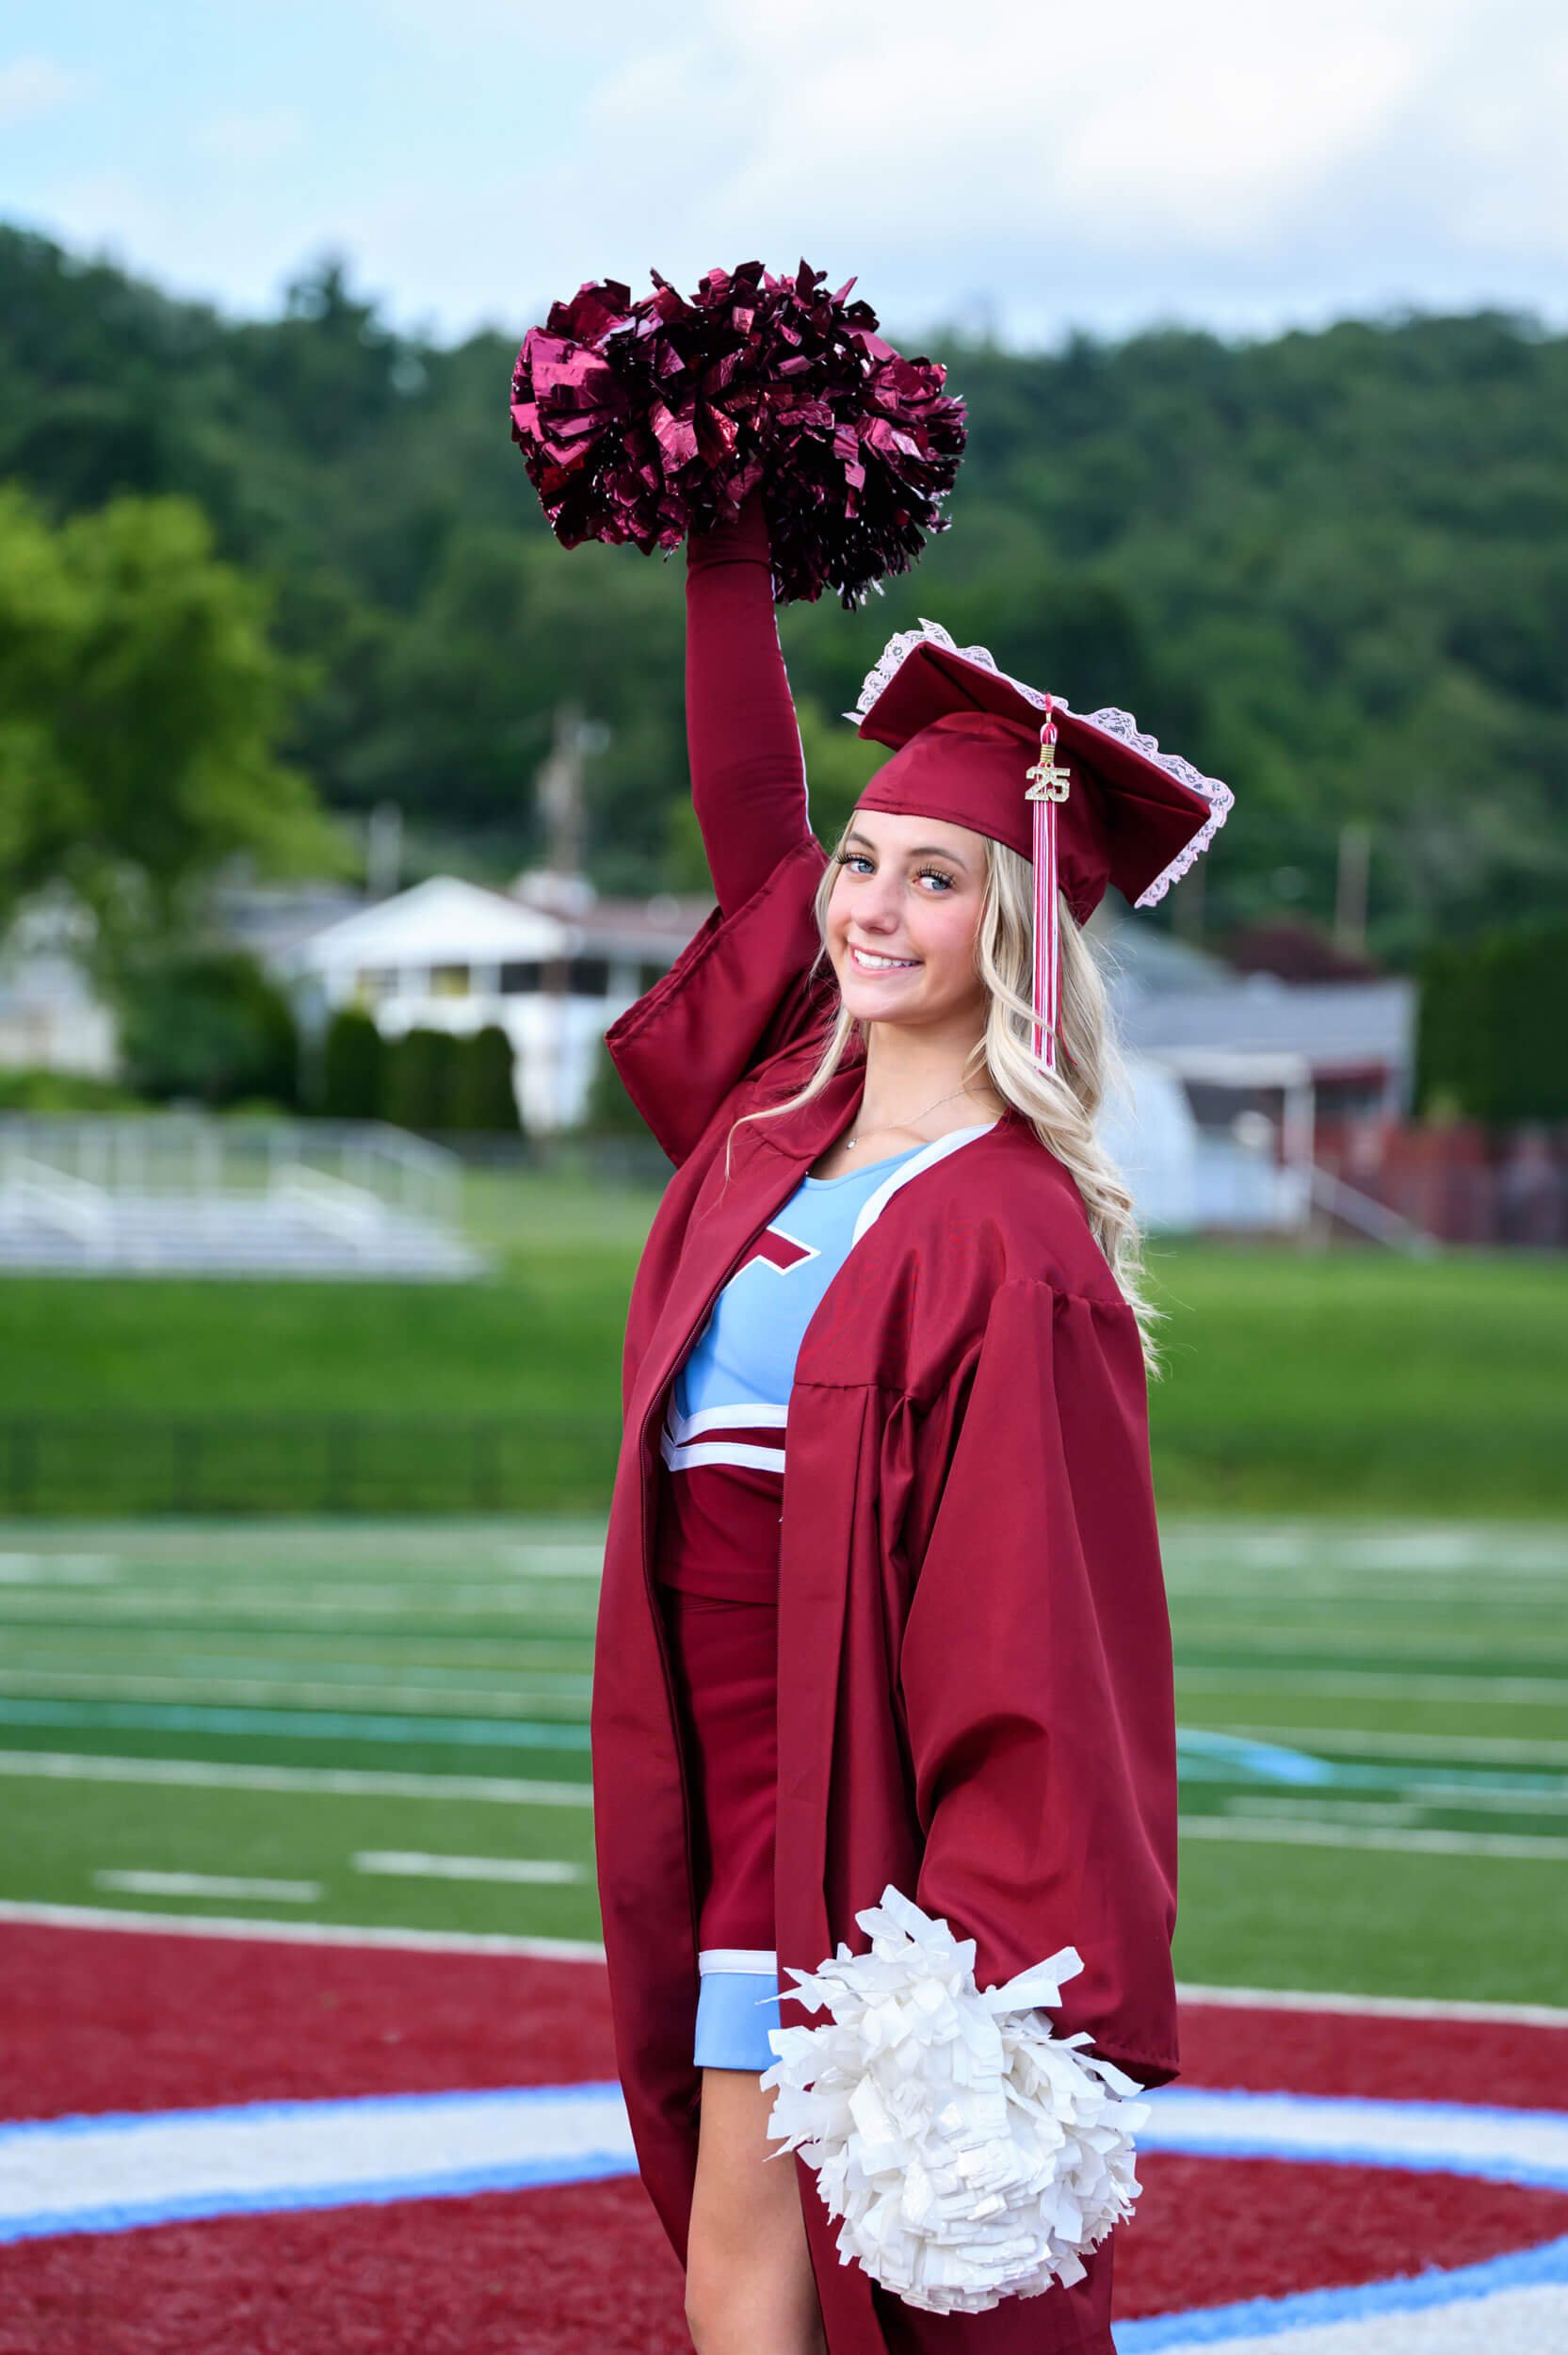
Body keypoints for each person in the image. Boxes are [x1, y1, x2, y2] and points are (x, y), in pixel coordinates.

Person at [590, 488, 1231, 2355]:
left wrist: (986, 1942)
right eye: (864, 862)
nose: (868, 905)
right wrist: (722, 546)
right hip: (721, 1770)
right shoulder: (780, 1104)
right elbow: (747, 822)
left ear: (1012, 925)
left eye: (930, 877)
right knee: (733, 2259)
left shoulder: (1011, 1237)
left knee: (901, 2273)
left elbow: (1035, 1626)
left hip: (854, 1783)